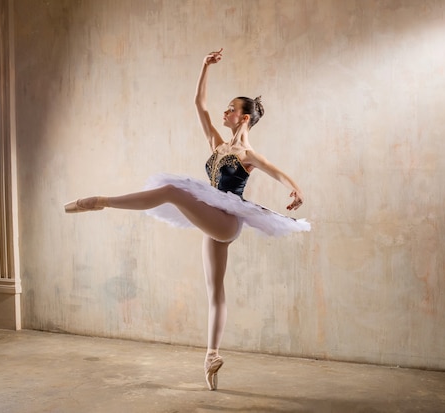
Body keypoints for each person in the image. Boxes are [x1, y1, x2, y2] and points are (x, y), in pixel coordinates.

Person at [64, 48, 310, 391]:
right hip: (213, 221)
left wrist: (296, 191)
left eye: (232, 109)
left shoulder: (249, 155)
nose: (225, 112)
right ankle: (211, 357)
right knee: (215, 291)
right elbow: (200, 105)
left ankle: (102, 201)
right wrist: (203, 66)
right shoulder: (216, 144)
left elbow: (280, 174)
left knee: (172, 191)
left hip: (227, 221)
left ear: (244, 118)